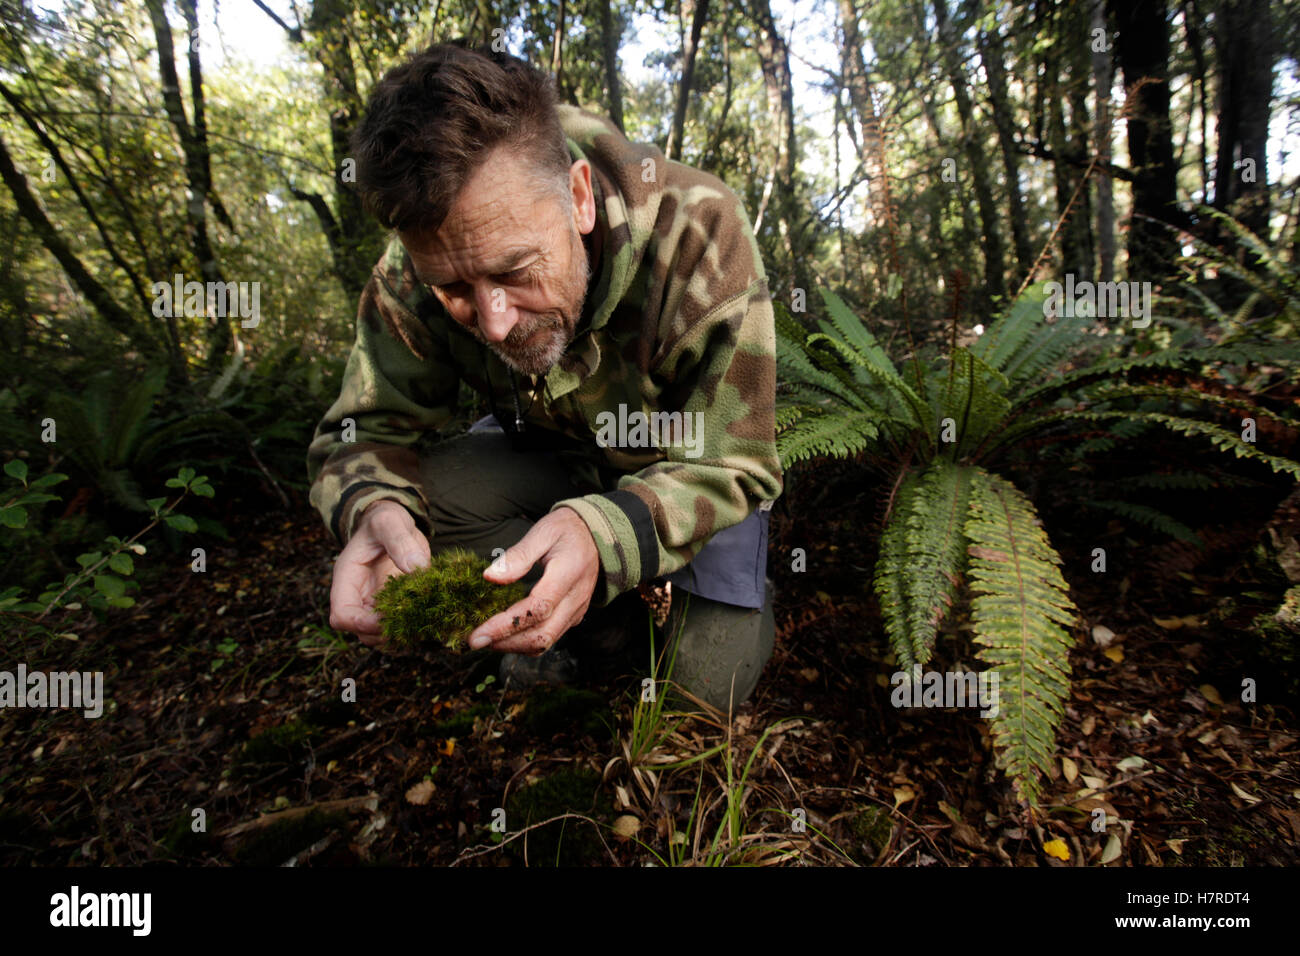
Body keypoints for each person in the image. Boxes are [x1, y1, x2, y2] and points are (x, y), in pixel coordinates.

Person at [306, 42, 782, 712]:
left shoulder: (699, 231)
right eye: (456, 290)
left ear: (580, 198)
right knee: (419, 510)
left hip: (690, 472)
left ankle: (723, 586)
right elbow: (361, 433)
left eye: (513, 270)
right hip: (560, 458)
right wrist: (372, 508)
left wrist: (604, 533)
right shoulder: (415, 266)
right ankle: (601, 621)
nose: (494, 323)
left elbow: (737, 459)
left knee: (700, 698)